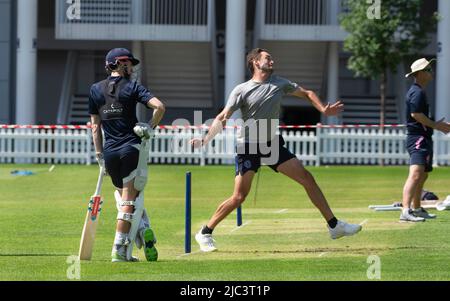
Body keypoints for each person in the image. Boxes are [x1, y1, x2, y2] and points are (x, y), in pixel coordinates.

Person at [191, 48, 362, 252]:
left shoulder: (280, 83)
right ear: (255, 62)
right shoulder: (242, 90)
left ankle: (334, 226)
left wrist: (323, 109)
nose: (272, 61)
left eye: (272, 58)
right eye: (267, 58)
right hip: (248, 146)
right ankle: (205, 232)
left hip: (271, 144)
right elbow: (223, 117)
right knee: (239, 196)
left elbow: (307, 93)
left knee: (307, 178)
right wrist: (205, 139)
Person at [88, 48, 166, 261]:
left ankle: (143, 229)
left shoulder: (95, 89)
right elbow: (159, 107)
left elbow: (95, 127)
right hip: (131, 149)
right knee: (129, 200)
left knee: (127, 196)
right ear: (120, 63)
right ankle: (119, 250)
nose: (132, 67)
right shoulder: (132, 87)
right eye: (129, 63)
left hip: (110, 153)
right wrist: (149, 126)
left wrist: (99, 155)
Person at [400, 58, 450, 222]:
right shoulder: (417, 92)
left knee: (423, 175)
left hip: (423, 137)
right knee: (415, 174)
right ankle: (406, 211)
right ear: (420, 74)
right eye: (428, 70)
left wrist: (436, 125)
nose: (431, 72)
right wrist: (436, 125)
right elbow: (416, 115)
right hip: (418, 138)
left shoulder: (419, 91)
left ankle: (416, 208)